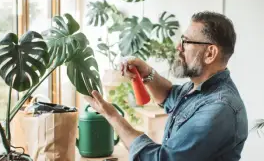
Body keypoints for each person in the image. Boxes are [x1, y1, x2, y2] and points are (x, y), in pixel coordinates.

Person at [84, 11, 248, 161]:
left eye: (185, 41)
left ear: (210, 53)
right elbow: (170, 96)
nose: (178, 47)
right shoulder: (196, 89)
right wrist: (147, 73)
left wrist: (111, 115)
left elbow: (162, 158)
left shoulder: (219, 108)